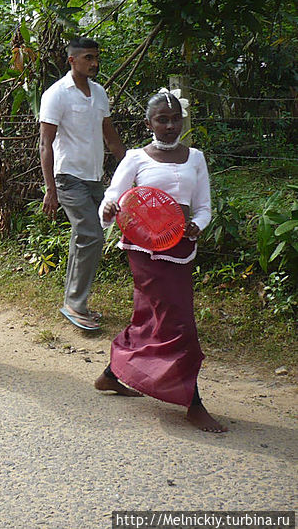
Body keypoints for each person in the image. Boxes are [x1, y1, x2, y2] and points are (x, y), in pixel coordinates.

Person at [94, 90, 226, 433]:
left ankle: (112, 373)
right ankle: (192, 403)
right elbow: (114, 196)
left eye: (175, 119)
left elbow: (204, 208)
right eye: (161, 120)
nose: (169, 126)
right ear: (148, 123)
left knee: (151, 317)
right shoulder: (137, 158)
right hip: (144, 252)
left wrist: (198, 225)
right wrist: (108, 209)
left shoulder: (195, 157)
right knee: (179, 322)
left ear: (183, 121)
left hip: (181, 250)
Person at [39, 37, 125, 331]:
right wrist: (50, 188)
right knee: (91, 235)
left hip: (94, 178)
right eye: (88, 57)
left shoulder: (99, 93)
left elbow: (111, 137)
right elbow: (45, 144)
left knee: (84, 236)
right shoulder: (56, 94)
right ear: (71, 60)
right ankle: (75, 304)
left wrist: (132, 171)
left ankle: (74, 302)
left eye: (96, 58)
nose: (95, 63)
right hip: (68, 178)